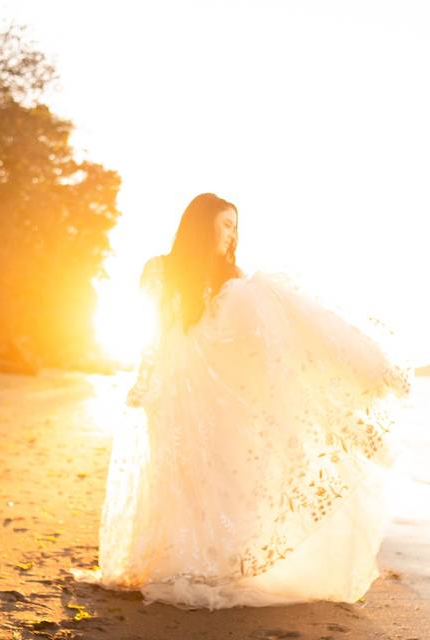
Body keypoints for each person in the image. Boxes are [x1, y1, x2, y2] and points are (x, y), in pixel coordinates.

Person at [70, 193, 410, 610]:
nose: (232, 234)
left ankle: (215, 564)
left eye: (235, 226)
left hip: (218, 393)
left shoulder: (234, 275)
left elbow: (252, 340)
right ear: (200, 225)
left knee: (219, 475)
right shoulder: (158, 269)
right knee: (174, 471)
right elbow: (153, 331)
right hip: (173, 387)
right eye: (225, 224)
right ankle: (171, 561)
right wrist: (144, 382)